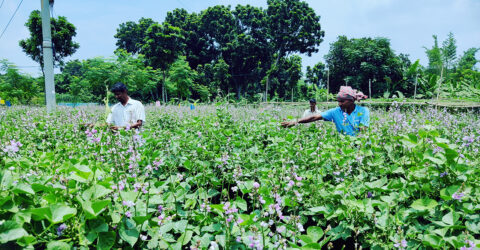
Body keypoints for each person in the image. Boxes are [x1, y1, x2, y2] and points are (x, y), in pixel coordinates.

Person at [281, 86, 369, 136]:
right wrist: (296, 121)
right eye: (338, 101)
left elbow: (363, 131)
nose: (339, 104)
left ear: (351, 100)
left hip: (360, 146)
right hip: (344, 145)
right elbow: (314, 117)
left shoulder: (363, 111)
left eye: (342, 101)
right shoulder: (335, 112)